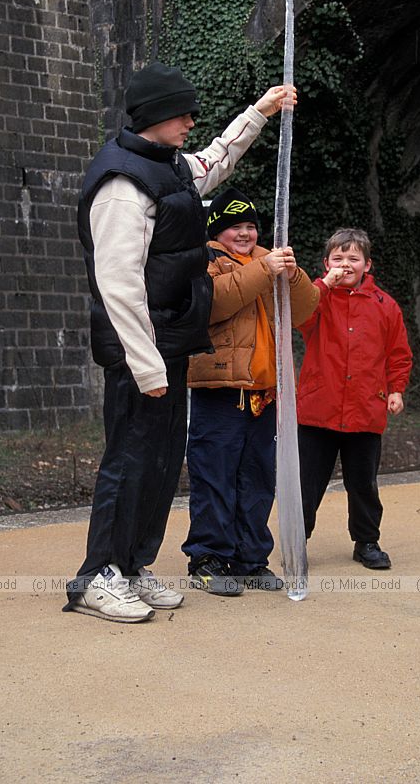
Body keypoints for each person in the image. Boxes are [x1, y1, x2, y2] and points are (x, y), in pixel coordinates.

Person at [64, 61, 294, 622]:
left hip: (170, 344)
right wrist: (147, 369)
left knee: (163, 463)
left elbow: (216, 160)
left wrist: (260, 113)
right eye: (183, 112)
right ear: (156, 115)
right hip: (138, 352)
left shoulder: (167, 166)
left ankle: (134, 566)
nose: (192, 120)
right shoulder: (122, 184)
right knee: (128, 460)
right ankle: (97, 576)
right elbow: (117, 286)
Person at [182, 186, 319, 595]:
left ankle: (250, 559)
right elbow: (214, 304)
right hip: (221, 388)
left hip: (266, 392)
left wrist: (293, 275)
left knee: (258, 479)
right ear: (216, 229)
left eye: (250, 226)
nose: (244, 234)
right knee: (214, 477)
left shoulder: (271, 262)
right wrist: (267, 269)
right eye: (234, 226)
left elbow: (307, 307)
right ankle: (208, 558)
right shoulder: (203, 260)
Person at [297, 227, 412, 570]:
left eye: (353, 258)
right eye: (338, 258)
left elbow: (398, 353)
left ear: (367, 264)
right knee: (308, 482)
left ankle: (367, 541)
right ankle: (296, 541)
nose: (345, 264)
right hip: (318, 408)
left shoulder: (385, 306)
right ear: (326, 263)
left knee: (363, 482)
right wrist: (323, 285)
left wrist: (396, 389)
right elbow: (299, 315)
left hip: (365, 407)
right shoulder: (317, 297)